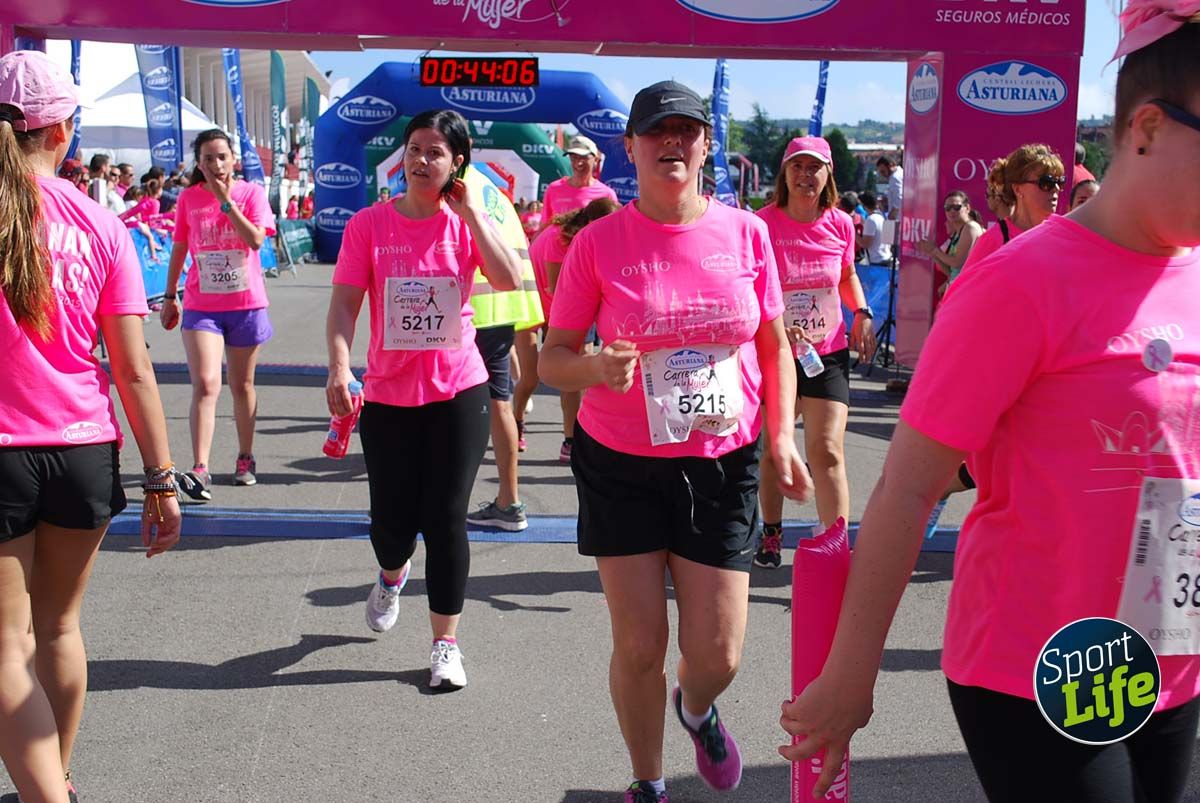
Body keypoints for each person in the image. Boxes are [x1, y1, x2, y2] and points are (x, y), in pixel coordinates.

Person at [779, 7, 1200, 801]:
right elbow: (910, 486)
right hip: (1042, 666)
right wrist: (850, 674)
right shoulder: (1020, 282)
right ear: (1147, 127)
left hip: (1173, 661)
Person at [539, 80, 813, 803]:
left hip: (721, 460)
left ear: (705, 145)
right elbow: (552, 356)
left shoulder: (747, 232)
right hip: (621, 461)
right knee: (639, 644)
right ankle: (650, 780)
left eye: (686, 130)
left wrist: (781, 434)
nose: (672, 142)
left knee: (717, 652)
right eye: (655, 131)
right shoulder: (598, 242)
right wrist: (594, 366)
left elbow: (773, 340)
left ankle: (697, 710)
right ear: (629, 147)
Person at [0, 50, 181, 803]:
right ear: (64, 129)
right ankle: (58, 780)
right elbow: (134, 369)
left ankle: (47, 795)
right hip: (83, 446)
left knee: (8, 649)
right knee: (60, 632)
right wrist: (163, 479)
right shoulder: (103, 225)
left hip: (3, 451)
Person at [327, 109, 522, 689]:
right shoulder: (369, 224)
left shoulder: (467, 223)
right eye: (414, 149)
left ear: (456, 163)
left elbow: (509, 278)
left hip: (458, 390)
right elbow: (343, 305)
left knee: (445, 519)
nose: (421, 160)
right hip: (388, 395)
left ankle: (445, 644)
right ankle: (391, 573)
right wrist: (341, 366)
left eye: (436, 152)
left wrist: (470, 214)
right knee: (390, 523)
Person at [753, 136, 877, 569]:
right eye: (797, 168)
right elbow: (749, 287)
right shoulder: (762, 224)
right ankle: (770, 532)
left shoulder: (841, 223)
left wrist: (861, 310)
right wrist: (772, 325)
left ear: (828, 176)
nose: (806, 176)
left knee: (826, 450)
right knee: (774, 451)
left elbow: (845, 275)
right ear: (785, 174)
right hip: (776, 352)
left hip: (826, 351)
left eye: (814, 168)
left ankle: (834, 545)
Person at [160, 128, 276, 501]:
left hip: (245, 304)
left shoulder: (252, 193)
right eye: (208, 158)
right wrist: (169, 295)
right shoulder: (188, 199)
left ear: (233, 159)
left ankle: (245, 457)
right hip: (201, 304)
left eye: (221, 157)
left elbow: (256, 240)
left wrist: (227, 201)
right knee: (207, 383)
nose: (215, 164)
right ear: (199, 163)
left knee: (242, 386)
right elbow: (179, 246)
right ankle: (200, 468)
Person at [526, 197, 621, 461]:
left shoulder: (593, 235)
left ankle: (581, 433)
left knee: (585, 367)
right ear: (588, 222)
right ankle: (569, 439)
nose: (607, 235)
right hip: (541, 303)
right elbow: (557, 293)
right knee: (564, 371)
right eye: (602, 227)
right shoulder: (561, 238)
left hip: (568, 301)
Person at [961, 143, 1064, 272]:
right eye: (1046, 183)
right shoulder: (994, 240)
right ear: (1017, 189)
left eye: (1060, 181)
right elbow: (965, 290)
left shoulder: (1063, 236)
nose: (1056, 188)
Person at [540, 135, 618, 226]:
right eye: (574, 157)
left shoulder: (607, 194)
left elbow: (614, 229)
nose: (579, 163)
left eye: (584, 157)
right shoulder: (554, 189)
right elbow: (544, 226)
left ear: (596, 160)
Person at [918, 190, 984, 296]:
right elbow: (952, 271)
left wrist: (935, 250)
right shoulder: (959, 232)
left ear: (967, 208)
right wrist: (932, 253)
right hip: (958, 287)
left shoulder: (970, 228)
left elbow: (957, 263)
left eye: (956, 207)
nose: (951, 211)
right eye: (947, 208)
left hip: (967, 289)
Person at [858, 190, 891, 267]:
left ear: (864, 206)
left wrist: (854, 233)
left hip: (876, 261)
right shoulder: (882, 217)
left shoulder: (871, 220)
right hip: (886, 257)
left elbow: (865, 244)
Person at [875, 155, 903, 220]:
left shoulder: (895, 177)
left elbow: (899, 197)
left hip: (897, 218)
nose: (882, 174)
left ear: (891, 165)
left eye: (883, 171)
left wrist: (892, 214)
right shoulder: (900, 174)